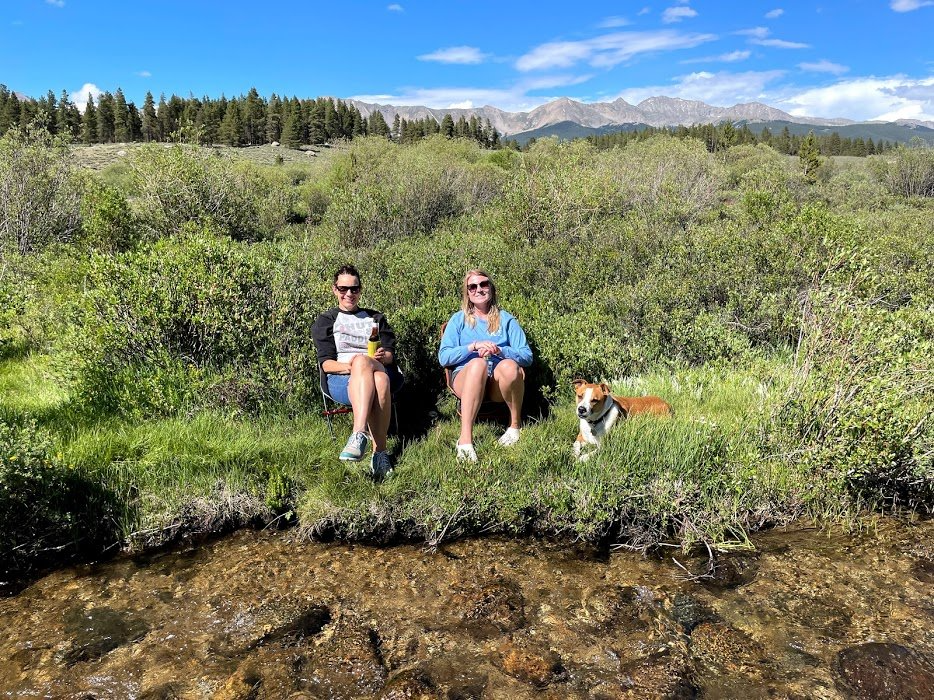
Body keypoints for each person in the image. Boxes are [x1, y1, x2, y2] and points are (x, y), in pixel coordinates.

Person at [312, 264, 402, 480]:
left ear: (360, 290)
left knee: (370, 365)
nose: (349, 294)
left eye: (354, 289)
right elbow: (326, 364)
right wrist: (353, 366)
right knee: (379, 380)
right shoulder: (327, 320)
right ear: (335, 289)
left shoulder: (375, 317)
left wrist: (383, 356)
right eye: (343, 289)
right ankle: (380, 455)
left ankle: (358, 434)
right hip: (343, 378)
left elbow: (390, 355)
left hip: (378, 365)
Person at [438, 269, 532, 462]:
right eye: (472, 286)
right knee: (478, 364)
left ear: (491, 287)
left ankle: (514, 426)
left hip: (497, 382)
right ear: (467, 293)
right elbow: (444, 357)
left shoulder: (506, 320)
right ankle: (465, 440)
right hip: (466, 377)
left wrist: (500, 351)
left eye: (483, 284)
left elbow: (526, 356)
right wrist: (472, 347)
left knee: (510, 366)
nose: (479, 289)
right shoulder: (458, 320)